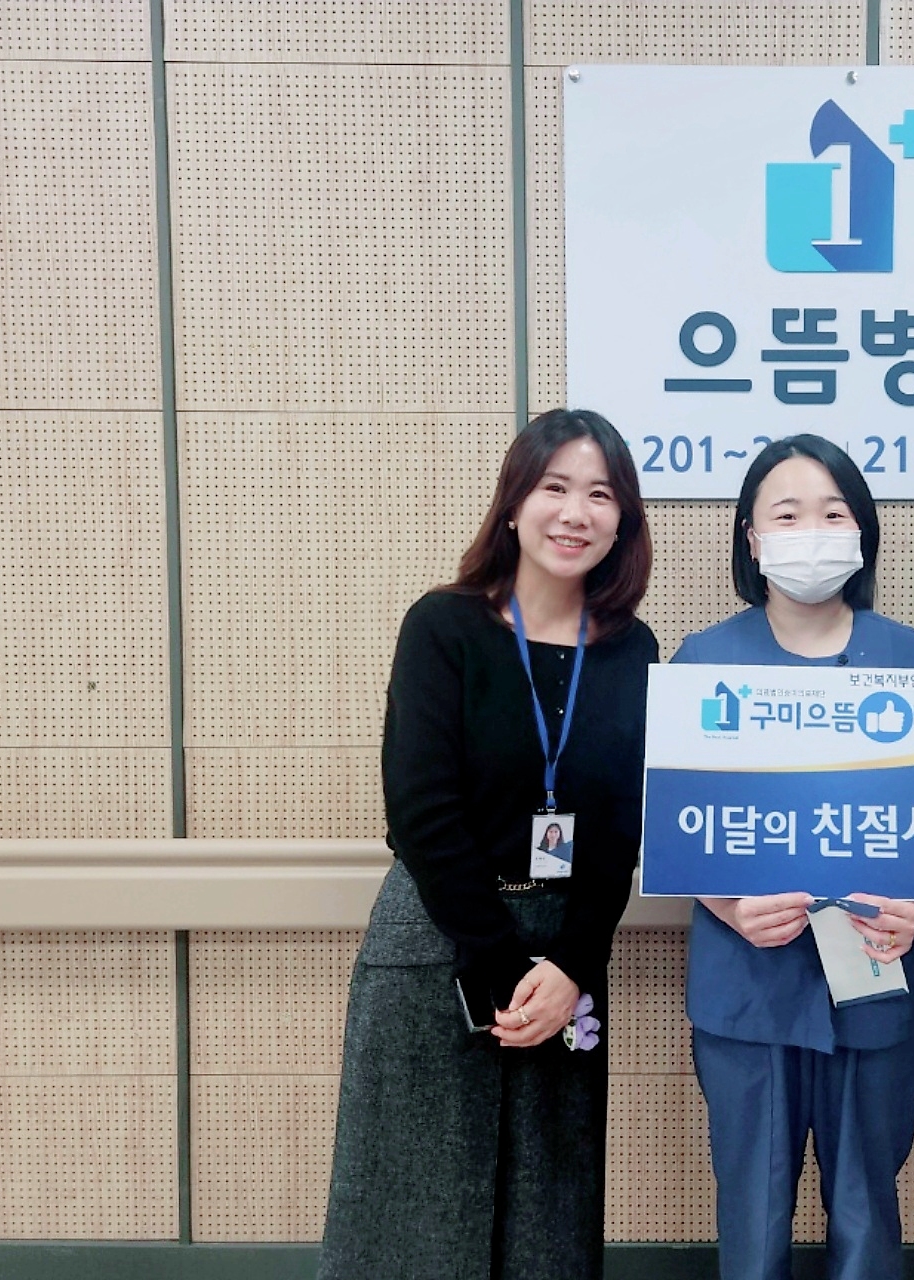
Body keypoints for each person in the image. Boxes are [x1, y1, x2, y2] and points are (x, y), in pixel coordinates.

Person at [319, 409, 657, 1280]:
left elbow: (621, 826)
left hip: (566, 958)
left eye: (601, 494)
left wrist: (572, 966)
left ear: (623, 519)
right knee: (414, 1208)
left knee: (548, 1212)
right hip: (441, 938)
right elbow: (421, 811)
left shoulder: (632, 648)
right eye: (554, 488)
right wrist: (501, 962)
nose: (575, 512)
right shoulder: (444, 625)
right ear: (513, 504)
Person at [670, 434, 914, 1280]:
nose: (812, 532)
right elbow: (672, 826)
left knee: (867, 1209)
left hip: (878, 972)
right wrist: (726, 904)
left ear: (862, 532)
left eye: (833, 513)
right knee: (753, 1217)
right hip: (748, 981)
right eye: (787, 515)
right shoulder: (702, 662)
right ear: (751, 538)